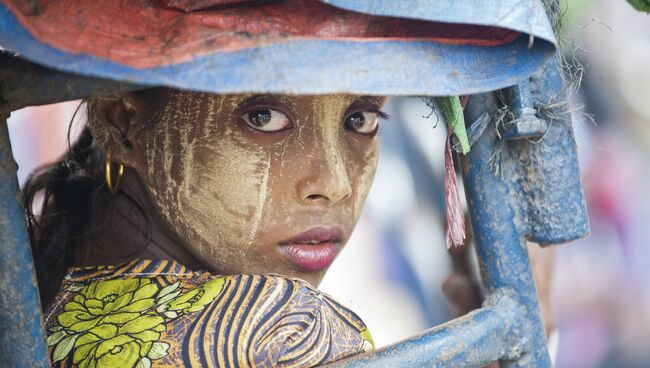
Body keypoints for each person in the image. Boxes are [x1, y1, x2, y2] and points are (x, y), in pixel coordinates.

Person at [2, 1, 559, 367]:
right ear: (124, 123)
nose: (334, 184)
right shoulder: (284, 334)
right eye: (264, 118)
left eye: (360, 119)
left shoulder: (45, 280)